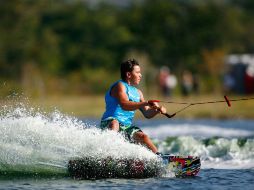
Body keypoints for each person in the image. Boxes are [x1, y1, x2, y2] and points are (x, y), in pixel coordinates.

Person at [100, 59, 167, 155]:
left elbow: (147, 113)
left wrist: (158, 110)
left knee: (143, 137)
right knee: (114, 124)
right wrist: (145, 103)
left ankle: (160, 159)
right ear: (129, 75)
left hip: (126, 127)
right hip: (109, 123)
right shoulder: (120, 86)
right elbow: (124, 104)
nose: (141, 75)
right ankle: (108, 155)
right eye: (138, 72)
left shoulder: (138, 93)